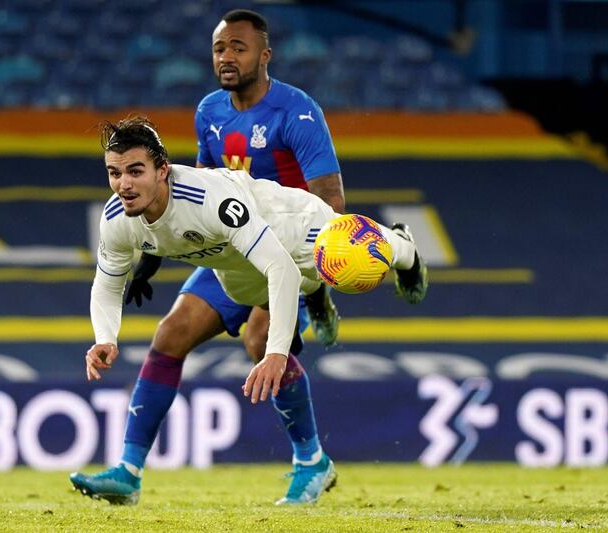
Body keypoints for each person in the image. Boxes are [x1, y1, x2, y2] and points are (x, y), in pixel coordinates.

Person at [69, 116, 427, 506]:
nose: (123, 184)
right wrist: (105, 338)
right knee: (170, 336)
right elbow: (106, 284)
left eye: (135, 171)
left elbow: (282, 269)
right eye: (114, 173)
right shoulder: (117, 218)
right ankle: (128, 473)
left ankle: (403, 249)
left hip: (292, 235)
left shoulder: (211, 202)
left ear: (162, 171)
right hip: (232, 268)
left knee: (339, 270)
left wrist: (276, 355)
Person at [124, 9, 345, 369]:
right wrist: (150, 257)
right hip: (233, 247)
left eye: (238, 48)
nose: (226, 57)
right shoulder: (209, 112)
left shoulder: (297, 111)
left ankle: (317, 295)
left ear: (264, 56)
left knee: (260, 343)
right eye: (219, 48)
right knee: (169, 335)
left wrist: (319, 268)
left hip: (289, 246)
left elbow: (331, 201)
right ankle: (136, 429)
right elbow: (193, 194)